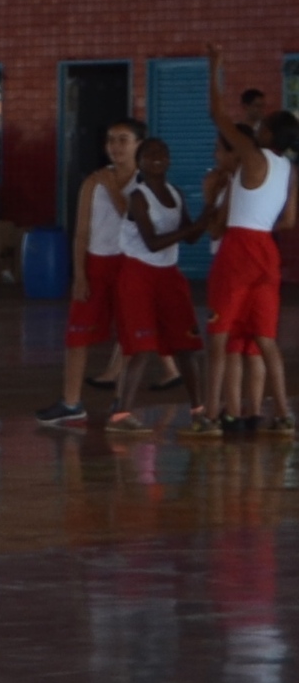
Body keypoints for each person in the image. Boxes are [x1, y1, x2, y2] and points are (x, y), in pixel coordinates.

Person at [200, 52, 299, 437]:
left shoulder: (252, 157)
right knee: (266, 341)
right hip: (266, 253)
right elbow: (289, 221)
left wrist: (215, 66)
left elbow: (217, 114)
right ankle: (284, 415)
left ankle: (209, 417)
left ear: (267, 135)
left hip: (239, 249)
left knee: (220, 338)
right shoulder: (291, 170)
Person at [40, 120, 140, 429]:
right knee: (77, 335)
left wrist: (113, 187)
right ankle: (71, 404)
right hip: (97, 264)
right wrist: (80, 275)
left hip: (129, 265)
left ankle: (122, 406)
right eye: (111, 140)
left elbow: (134, 217)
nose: (116, 146)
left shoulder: (144, 182)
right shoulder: (92, 183)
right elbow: (81, 232)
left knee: (130, 338)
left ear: (138, 145)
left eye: (124, 140)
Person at [110, 136, 203, 430]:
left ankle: (199, 409)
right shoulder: (139, 196)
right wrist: (194, 227)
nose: (158, 158)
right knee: (142, 347)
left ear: (170, 160)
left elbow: (190, 235)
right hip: (139, 274)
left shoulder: (175, 193)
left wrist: (209, 214)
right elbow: (151, 243)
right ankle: (121, 415)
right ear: (140, 163)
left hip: (168, 275)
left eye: (163, 153)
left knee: (187, 344)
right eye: (150, 154)